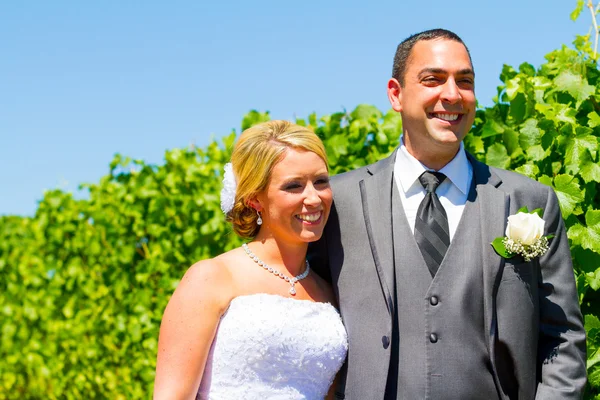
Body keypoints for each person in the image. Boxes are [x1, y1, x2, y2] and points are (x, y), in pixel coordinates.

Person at [309, 28, 587, 399]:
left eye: (465, 81)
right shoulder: (337, 201)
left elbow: (563, 338)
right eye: (433, 80)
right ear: (396, 94)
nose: (453, 95)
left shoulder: (529, 200)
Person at [154, 120, 348, 399]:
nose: (314, 198)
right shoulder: (211, 277)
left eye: (320, 181)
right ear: (255, 199)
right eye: (294, 186)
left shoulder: (328, 291)